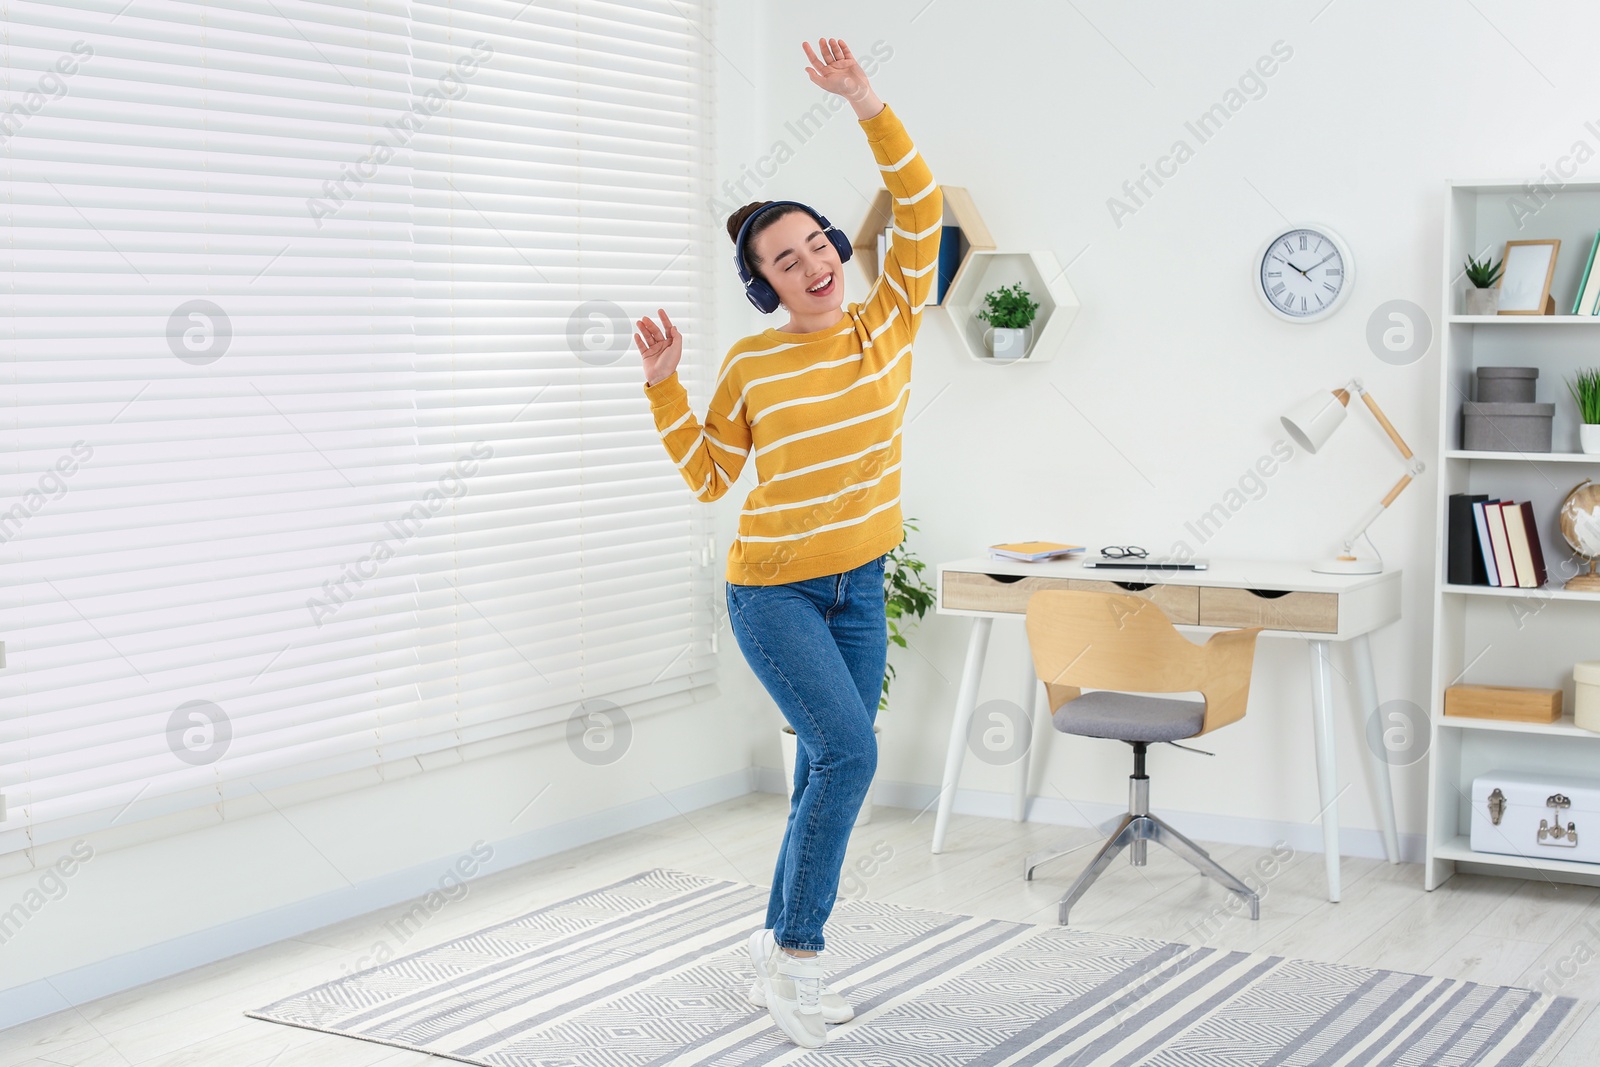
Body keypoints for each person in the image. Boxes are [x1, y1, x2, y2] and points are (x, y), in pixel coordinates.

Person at [632, 36, 940, 1050]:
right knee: (850, 753)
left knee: (822, 768)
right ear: (764, 283)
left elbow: (921, 203)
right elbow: (710, 474)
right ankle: (800, 958)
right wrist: (666, 386)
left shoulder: (889, 321)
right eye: (782, 259)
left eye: (817, 244)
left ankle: (774, 944)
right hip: (773, 592)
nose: (808, 262)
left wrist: (863, 102)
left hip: (861, 578)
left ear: (839, 252)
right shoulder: (753, 365)